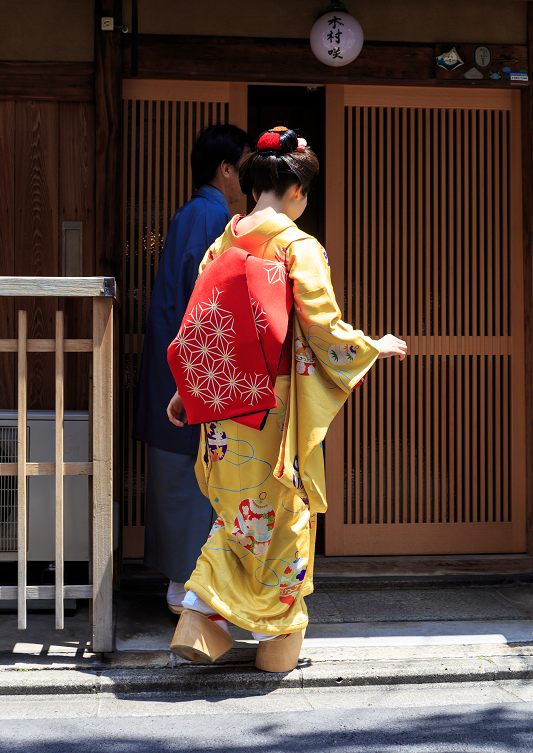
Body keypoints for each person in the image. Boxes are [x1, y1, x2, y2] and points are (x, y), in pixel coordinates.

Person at [166, 126, 407, 671]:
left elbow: (201, 328)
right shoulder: (299, 247)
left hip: (229, 410)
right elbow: (324, 330)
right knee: (286, 516)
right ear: (298, 192)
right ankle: (275, 651)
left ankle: (201, 616)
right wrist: (374, 346)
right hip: (275, 411)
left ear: (253, 188)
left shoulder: (222, 244)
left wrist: (190, 391)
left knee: (235, 517)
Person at [133, 124, 252, 614]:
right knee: (193, 476)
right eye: (244, 165)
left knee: (181, 475)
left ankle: (185, 586)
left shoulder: (195, 212)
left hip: (177, 363)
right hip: (192, 371)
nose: (248, 177)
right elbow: (210, 301)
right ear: (226, 169)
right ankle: (187, 588)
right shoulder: (211, 216)